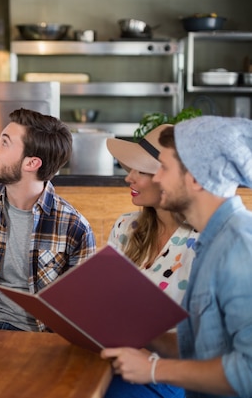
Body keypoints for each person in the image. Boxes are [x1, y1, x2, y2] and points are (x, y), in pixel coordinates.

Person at [101, 116, 252, 398]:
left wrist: (155, 370)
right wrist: (150, 339)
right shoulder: (213, 240)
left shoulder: (241, 246)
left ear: (195, 177)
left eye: (164, 168)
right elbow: (204, 347)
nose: (156, 177)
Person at [0, 108, 96, 331]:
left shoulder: (75, 228)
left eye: (5, 143)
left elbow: (80, 308)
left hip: (42, 342)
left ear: (31, 164)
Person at [104, 124, 198, 398]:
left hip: (176, 374)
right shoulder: (125, 226)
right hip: (116, 359)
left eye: (141, 171)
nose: (128, 179)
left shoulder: (204, 240)